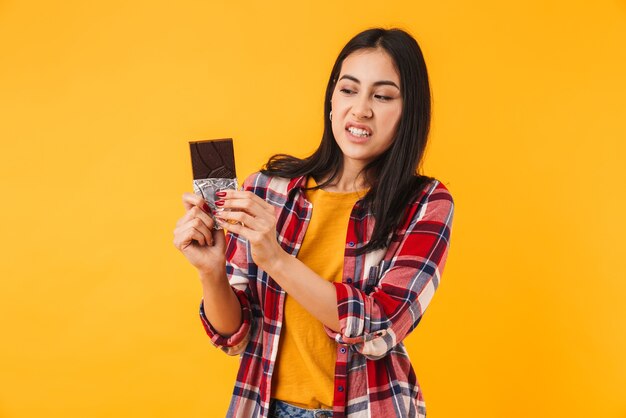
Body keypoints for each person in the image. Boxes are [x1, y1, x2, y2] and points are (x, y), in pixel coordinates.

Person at [173, 27, 454, 418]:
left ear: (409, 112)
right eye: (349, 89)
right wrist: (211, 272)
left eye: (383, 95)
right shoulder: (267, 190)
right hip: (264, 407)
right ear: (331, 101)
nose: (361, 110)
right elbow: (235, 337)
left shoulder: (425, 203)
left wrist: (276, 259)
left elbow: (379, 327)